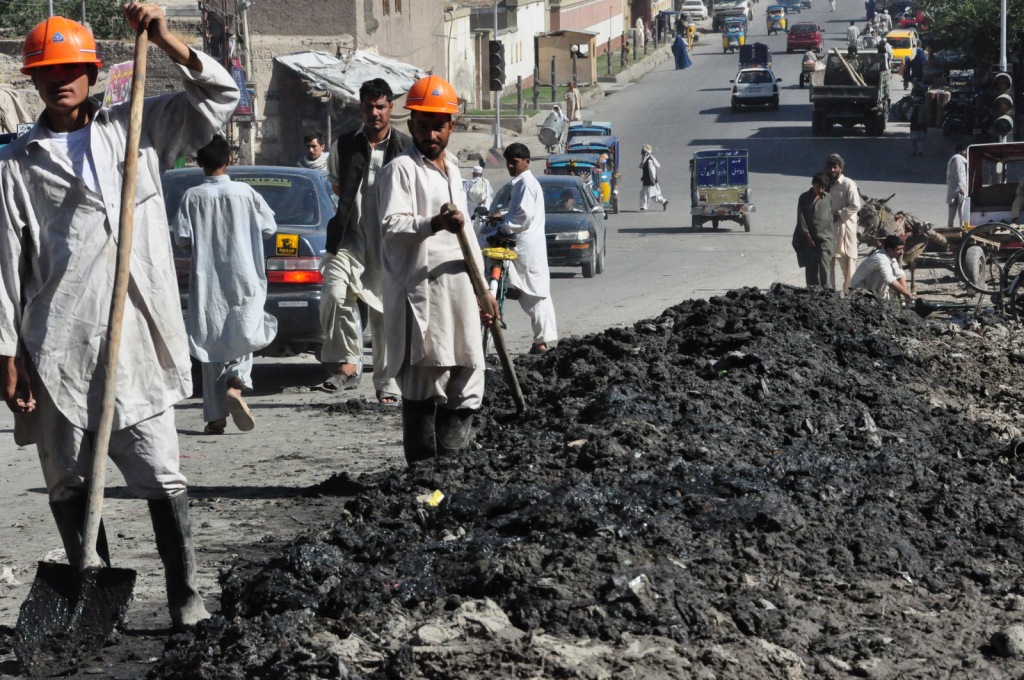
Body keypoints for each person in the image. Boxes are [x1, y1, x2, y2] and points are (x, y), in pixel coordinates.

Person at [0, 6, 239, 629]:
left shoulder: (137, 127)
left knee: (161, 471)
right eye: (46, 72)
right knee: (69, 483)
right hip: (56, 343)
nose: (60, 81)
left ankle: (185, 595)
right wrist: (7, 354)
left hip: (135, 335)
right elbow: (5, 268)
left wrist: (164, 37)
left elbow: (220, 93)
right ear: (33, 80)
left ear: (92, 72)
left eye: (71, 69)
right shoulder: (17, 163)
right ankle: (90, 605)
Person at [377, 75, 495, 466]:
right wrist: (432, 224)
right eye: (423, 125)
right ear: (411, 125)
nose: (431, 133)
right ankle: (423, 475)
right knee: (423, 385)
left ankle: (453, 467)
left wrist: (484, 292)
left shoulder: (453, 172)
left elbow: (470, 239)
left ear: (451, 127)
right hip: (421, 296)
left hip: (460, 293)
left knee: (467, 377)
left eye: (438, 125)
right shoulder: (401, 171)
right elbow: (393, 227)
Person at [173, 135, 277, 435]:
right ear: (229, 160)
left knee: (210, 343)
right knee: (244, 332)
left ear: (199, 162)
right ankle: (236, 383)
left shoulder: (191, 197)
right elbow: (269, 227)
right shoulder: (246, 193)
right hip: (244, 276)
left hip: (208, 283)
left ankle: (215, 417)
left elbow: (182, 239)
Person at [321, 78, 409, 405]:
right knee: (333, 293)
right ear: (360, 108)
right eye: (369, 106)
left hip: (389, 243)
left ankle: (387, 386)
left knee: (384, 316)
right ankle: (349, 361)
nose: (375, 112)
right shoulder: (344, 145)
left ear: (391, 108)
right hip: (349, 237)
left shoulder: (405, 148)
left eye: (380, 106)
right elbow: (335, 185)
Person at [495, 143, 558, 355]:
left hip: (526, 247)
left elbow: (523, 217)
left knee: (535, 294)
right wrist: (503, 215)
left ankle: (541, 343)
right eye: (509, 163)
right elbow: (518, 211)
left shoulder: (527, 184)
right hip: (527, 245)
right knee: (534, 291)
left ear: (526, 162)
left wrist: (504, 227)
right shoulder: (520, 183)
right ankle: (541, 340)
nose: (511, 166)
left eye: (515, 162)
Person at [826, 153, 863, 291]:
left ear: (841, 168)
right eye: (830, 167)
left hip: (844, 229)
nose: (832, 170)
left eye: (835, 167)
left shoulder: (848, 183)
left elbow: (855, 205)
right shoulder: (826, 183)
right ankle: (829, 292)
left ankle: (848, 293)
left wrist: (840, 214)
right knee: (828, 260)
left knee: (847, 264)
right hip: (829, 229)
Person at [792, 172, 834, 288]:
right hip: (808, 239)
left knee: (824, 262)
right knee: (811, 267)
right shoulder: (804, 198)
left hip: (825, 238)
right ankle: (812, 292)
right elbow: (801, 218)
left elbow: (830, 217)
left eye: (823, 187)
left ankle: (827, 291)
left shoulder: (828, 198)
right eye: (819, 186)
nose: (821, 190)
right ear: (813, 184)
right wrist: (807, 236)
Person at [851, 235, 919, 301]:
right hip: (859, 289)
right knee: (883, 275)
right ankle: (879, 300)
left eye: (902, 249)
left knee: (896, 275)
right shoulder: (881, 258)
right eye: (899, 249)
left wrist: (907, 294)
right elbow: (889, 280)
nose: (902, 252)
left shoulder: (890, 256)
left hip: (868, 286)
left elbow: (899, 274)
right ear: (889, 250)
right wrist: (907, 294)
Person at [464, 164, 494, 233]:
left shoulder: (468, 183)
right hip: (484, 205)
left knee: (471, 221)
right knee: (482, 222)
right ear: (481, 174)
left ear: (473, 174)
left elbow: (464, 194)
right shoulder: (486, 182)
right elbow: (491, 192)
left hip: (471, 205)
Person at [639, 143, 669, 211]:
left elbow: (652, 171)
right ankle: (664, 201)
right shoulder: (646, 159)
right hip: (648, 180)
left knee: (645, 193)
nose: (641, 153)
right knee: (653, 195)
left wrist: (653, 180)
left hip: (650, 181)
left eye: (643, 152)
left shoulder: (649, 161)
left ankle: (644, 207)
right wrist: (643, 177)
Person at [945, 143, 968, 229]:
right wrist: (961, 187)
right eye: (964, 151)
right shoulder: (958, 159)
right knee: (961, 209)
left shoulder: (954, 159)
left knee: (954, 208)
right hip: (958, 189)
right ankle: (960, 227)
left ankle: (952, 225)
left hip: (954, 188)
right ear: (959, 151)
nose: (965, 152)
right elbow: (958, 174)